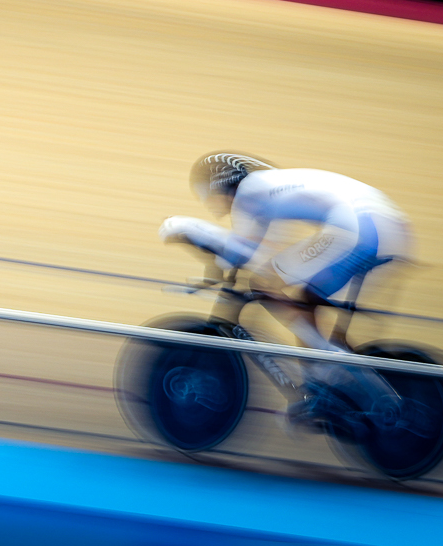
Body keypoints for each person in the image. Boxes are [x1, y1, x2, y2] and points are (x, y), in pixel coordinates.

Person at [159, 152, 413, 428]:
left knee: (265, 283)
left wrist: (187, 227)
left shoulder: (249, 190)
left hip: (360, 225)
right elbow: (252, 251)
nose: (214, 203)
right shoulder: (264, 192)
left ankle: (327, 365)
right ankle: (328, 380)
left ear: (221, 185)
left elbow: (242, 252)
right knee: (304, 297)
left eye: (210, 196)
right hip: (383, 226)